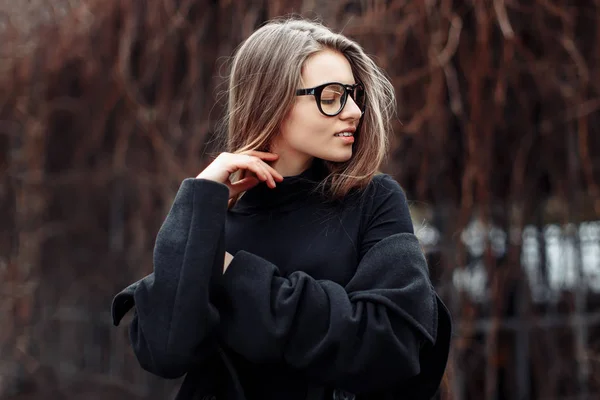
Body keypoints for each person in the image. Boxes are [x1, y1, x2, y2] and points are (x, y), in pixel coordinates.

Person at [111, 17, 451, 400]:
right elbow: (166, 351)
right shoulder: (214, 220)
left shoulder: (372, 200)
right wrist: (199, 200)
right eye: (330, 96)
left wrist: (233, 273)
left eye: (354, 94)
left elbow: (389, 345)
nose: (354, 110)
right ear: (272, 100)